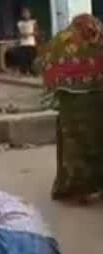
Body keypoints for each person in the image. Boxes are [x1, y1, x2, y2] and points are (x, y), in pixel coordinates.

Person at [37, 13, 103, 204]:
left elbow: (44, 63)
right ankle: (92, 187)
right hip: (96, 104)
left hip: (70, 105)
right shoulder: (97, 39)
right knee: (95, 145)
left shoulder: (61, 41)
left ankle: (74, 189)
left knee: (73, 147)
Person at [14, 7, 39, 75]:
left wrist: (29, 34)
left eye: (27, 13)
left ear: (30, 14)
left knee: (32, 59)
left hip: (31, 43)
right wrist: (21, 35)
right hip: (22, 44)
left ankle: (33, 72)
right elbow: (17, 33)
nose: (26, 15)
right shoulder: (19, 23)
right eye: (24, 13)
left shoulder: (33, 22)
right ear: (22, 15)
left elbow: (37, 32)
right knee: (23, 60)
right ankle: (23, 72)